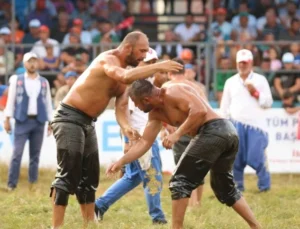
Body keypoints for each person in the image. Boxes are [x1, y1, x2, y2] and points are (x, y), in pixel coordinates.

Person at [49, 31, 183, 229]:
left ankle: (90, 224)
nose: (143, 56)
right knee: (69, 175)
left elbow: (121, 108)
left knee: (90, 178)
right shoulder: (107, 60)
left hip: (88, 122)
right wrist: (160, 65)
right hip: (69, 117)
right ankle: (56, 227)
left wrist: (126, 127)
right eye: (142, 51)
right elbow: (126, 76)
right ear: (128, 48)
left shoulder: (126, 78)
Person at [106, 79, 262, 229]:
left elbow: (199, 110)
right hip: (225, 134)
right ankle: (256, 226)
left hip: (216, 129)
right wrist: (121, 161)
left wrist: (177, 134)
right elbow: (144, 143)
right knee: (224, 189)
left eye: (137, 103)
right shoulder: (155, 114)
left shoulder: (172, 90)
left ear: (146, 99)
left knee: (179, 181)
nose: (137, 108)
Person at [95, 48, 167, 224]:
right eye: (148, 62)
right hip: (141, 136)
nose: (152, 66)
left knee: (132, 177)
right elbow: (125, 113)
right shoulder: (135, 85)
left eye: (153, 62)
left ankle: (99, 205)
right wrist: (128, 140)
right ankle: (157, 218)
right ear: (139, 62)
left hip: (140, 134)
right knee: (153, 176)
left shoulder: (143, 81)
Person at [220, 49, 273, 192]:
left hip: (256, 125)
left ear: (251, 63)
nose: (242, 66)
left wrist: (255, 93)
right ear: (236, 64)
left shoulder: (260, 80)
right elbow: (224, 106)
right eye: (240, 63)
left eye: (245, 63)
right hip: (235, 123)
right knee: (236, 158)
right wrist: (224, 125)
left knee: (256, 157)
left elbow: (268, 102)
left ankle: (265, 186)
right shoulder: (230, 82)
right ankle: (238, 187)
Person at [4, 52, 53, 191]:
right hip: (22, 121)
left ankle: (33, 182)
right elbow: (11, 101)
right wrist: (7, 119)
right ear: (24, 64)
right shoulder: (17, 80)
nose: (32, 64)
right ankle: (11, 183)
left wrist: (51, 122)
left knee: (35, 154)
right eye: (29, 61)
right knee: (17, 153)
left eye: (34, 61)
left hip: (39, 121)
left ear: (38, 63)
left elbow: (48, 102)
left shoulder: (44, 82)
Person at [162, 58, 207, 207]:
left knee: (183, 170)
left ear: (169, 73)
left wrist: (165, 129)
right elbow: (205, 110)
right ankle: (197, 202)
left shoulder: (166, 87)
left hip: (178, 132)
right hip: (198, 130)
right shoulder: (195, 87)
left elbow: (162, 112)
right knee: (198, 168)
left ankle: (190, 204)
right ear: (184, 71)